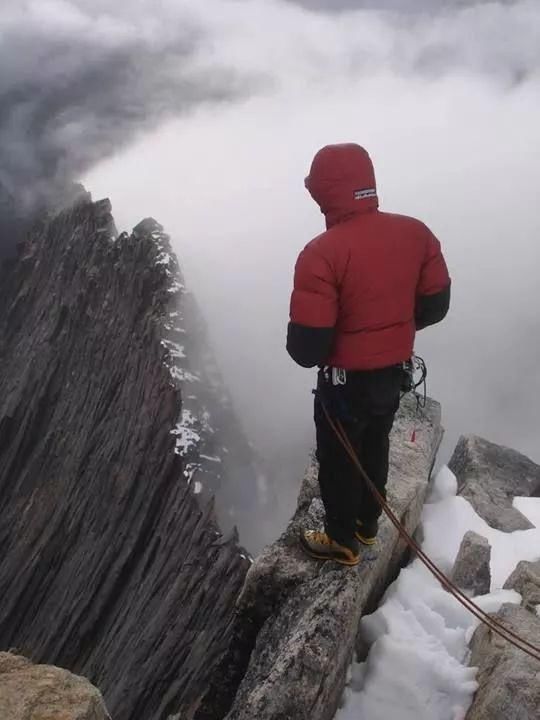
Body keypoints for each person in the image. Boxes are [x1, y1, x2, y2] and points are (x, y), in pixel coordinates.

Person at [287, 143, 450, 566]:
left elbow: (308, 348)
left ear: (326, 191)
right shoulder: (416, 233)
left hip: (344, 386)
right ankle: (367, 524)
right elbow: (435, 306)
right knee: (376, 442)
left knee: (340, 458)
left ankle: (342, 541)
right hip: (391, 375)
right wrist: (390, 332)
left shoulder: (321, 253)